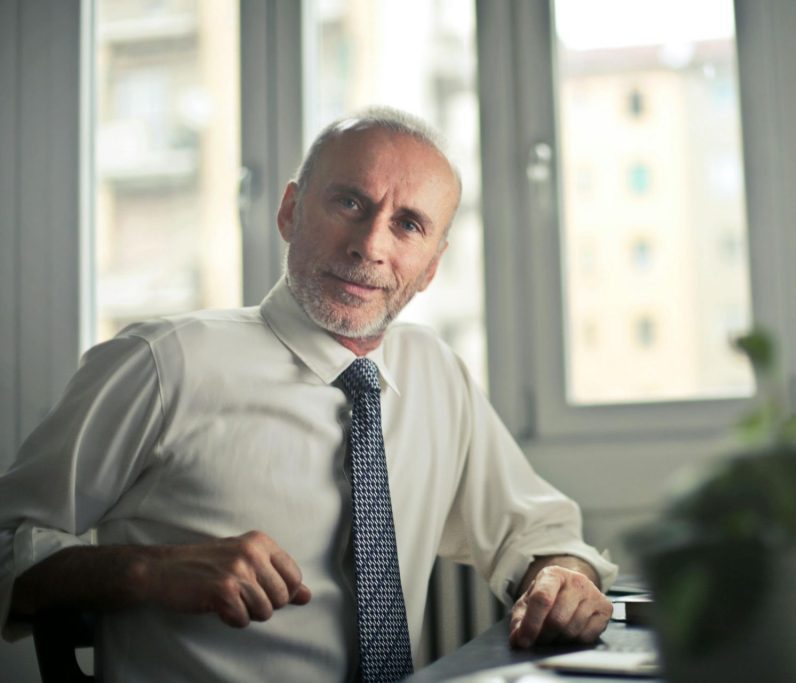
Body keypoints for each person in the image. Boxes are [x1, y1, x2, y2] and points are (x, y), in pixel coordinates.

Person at [0, 107, 617, 681]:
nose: (370, 246)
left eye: (408, 225)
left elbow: (537, 532)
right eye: (349, 202)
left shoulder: (435, 371)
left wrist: (563, 574)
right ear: (291, 210)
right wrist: (147, 570)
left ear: (431, 265)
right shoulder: (164, 364)